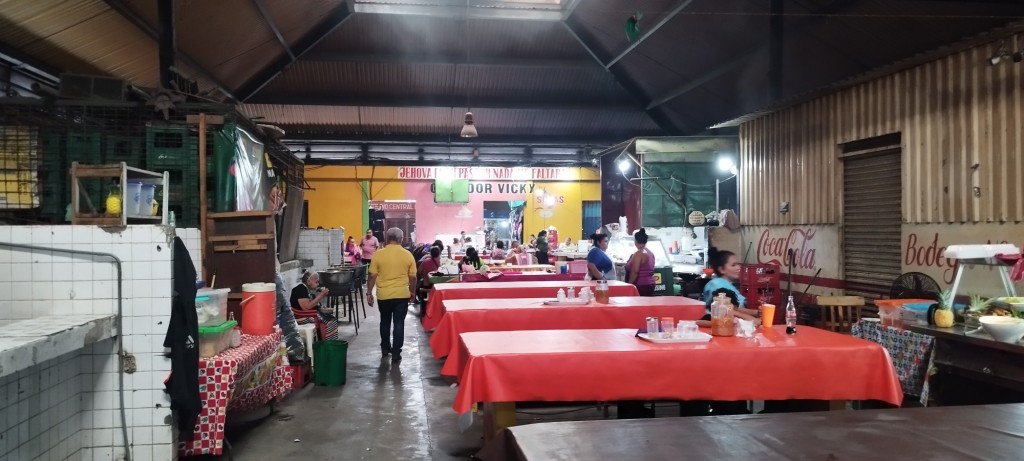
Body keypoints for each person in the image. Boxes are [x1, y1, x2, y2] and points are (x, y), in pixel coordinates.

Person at [367, 227, 417, 363]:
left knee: (385, 321)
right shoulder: (407, 255)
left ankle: (385, 349)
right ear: (401, 239)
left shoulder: (378, 254)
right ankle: (396, 353)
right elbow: (413, 278)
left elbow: (372, 276)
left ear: (387, 239)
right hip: (402, 295)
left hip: (384, 295)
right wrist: (412, 292)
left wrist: (368, 293)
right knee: (399, 323)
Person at [701, 247, 761, 321]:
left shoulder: (727, 284)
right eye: (733, 265)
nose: (738, 268)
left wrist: (757, 312)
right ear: (722, 269)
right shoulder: (717, 285)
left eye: (738, 264)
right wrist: (750, 318)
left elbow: (735, 308)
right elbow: (726, 309)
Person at [289, 271, 338, 340]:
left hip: (307, 314)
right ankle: (326, 343)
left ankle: (331, 343)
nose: (318, 284)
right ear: (308, 281)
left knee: (331, 318)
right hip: (300, 316)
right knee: (329, 322)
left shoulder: (307, 289)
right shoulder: (300, 289)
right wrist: (321, 295)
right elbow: (306, 307)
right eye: (316, 282)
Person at [627, 229, 656, 296]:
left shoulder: (639, 254)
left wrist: (629, 285)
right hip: (651, 283)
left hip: (641, 285)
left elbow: (635, 272)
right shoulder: (650, 253)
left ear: (636, 241)